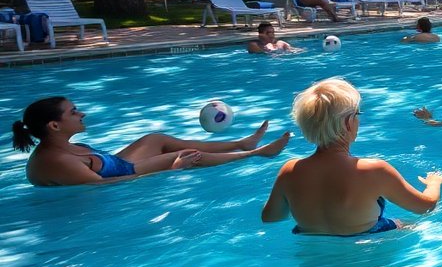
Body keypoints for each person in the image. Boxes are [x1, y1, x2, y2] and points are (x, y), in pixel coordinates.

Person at [262, 78, 442, 236]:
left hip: (313, 250)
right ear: (348, 122)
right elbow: (426, 207)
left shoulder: (289, 171)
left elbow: (270, 217)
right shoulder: (374, 170)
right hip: (369, 248)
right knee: (412, 226)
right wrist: (433, 183)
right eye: (357, 114)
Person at [13, 97, 290, 187]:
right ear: (54, 125)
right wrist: (171, 169)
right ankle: (255, 154)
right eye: (74, 112)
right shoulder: (56, 161)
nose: (81, 113)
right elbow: (104, 187)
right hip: (121, 174)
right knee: (186, 154)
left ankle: (242, 143)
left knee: (155, 138)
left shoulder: (59, 147)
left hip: (117, 164)